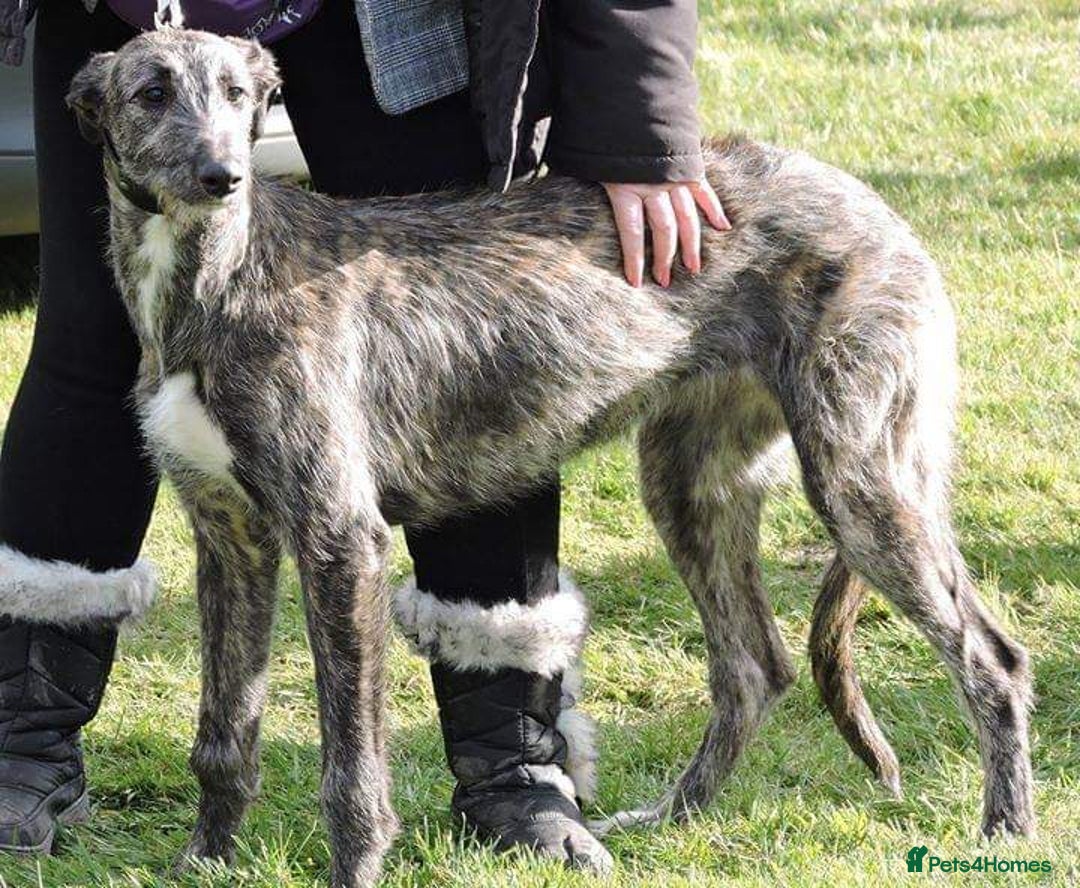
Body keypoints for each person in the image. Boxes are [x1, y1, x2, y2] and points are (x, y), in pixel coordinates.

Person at [0, 0, 724, 869]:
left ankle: (512, 762)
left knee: (462, 363)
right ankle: (25, 740)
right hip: (112, 17)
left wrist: (642, 125)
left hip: (378, 22)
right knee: (89, 344)